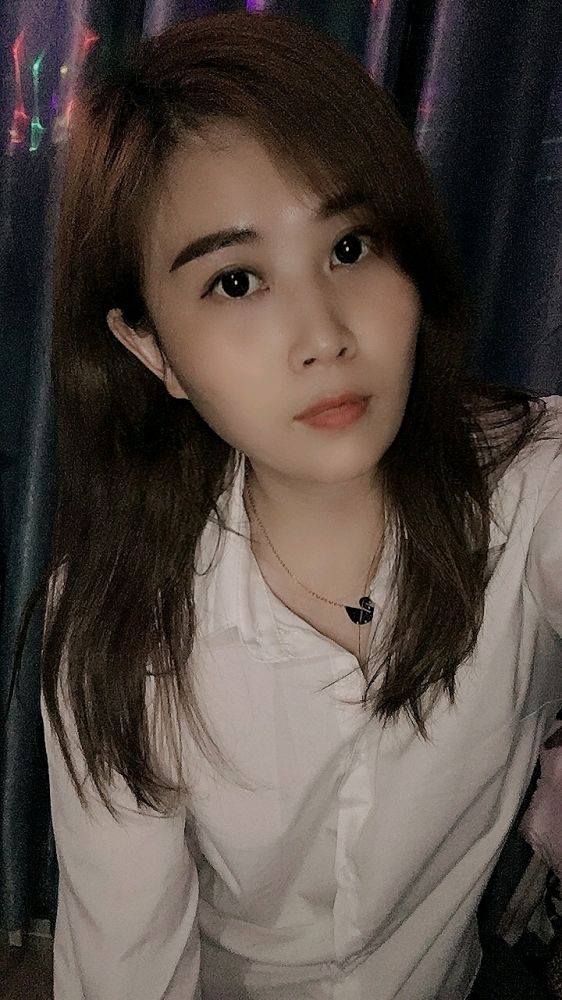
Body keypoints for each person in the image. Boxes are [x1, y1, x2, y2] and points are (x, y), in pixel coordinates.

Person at [26, 9, 562, 1000]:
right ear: (151, 349)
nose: (322, 335)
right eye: (236, 280)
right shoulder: (119, 621)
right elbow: (126, 970)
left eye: (350, 247)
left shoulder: (532, 486)